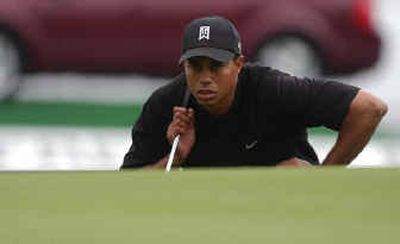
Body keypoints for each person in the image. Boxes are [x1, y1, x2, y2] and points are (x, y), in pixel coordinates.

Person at [121, 16, 387, 169]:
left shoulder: (274, 89)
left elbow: (369, 108)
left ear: (238, 64)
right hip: (205, 213)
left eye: (216, 66)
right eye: (195, 66)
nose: (204, 78)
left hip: (288, 209)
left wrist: (323, 180)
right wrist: (174, 158)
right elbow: (126, 187)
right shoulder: (167, 104)